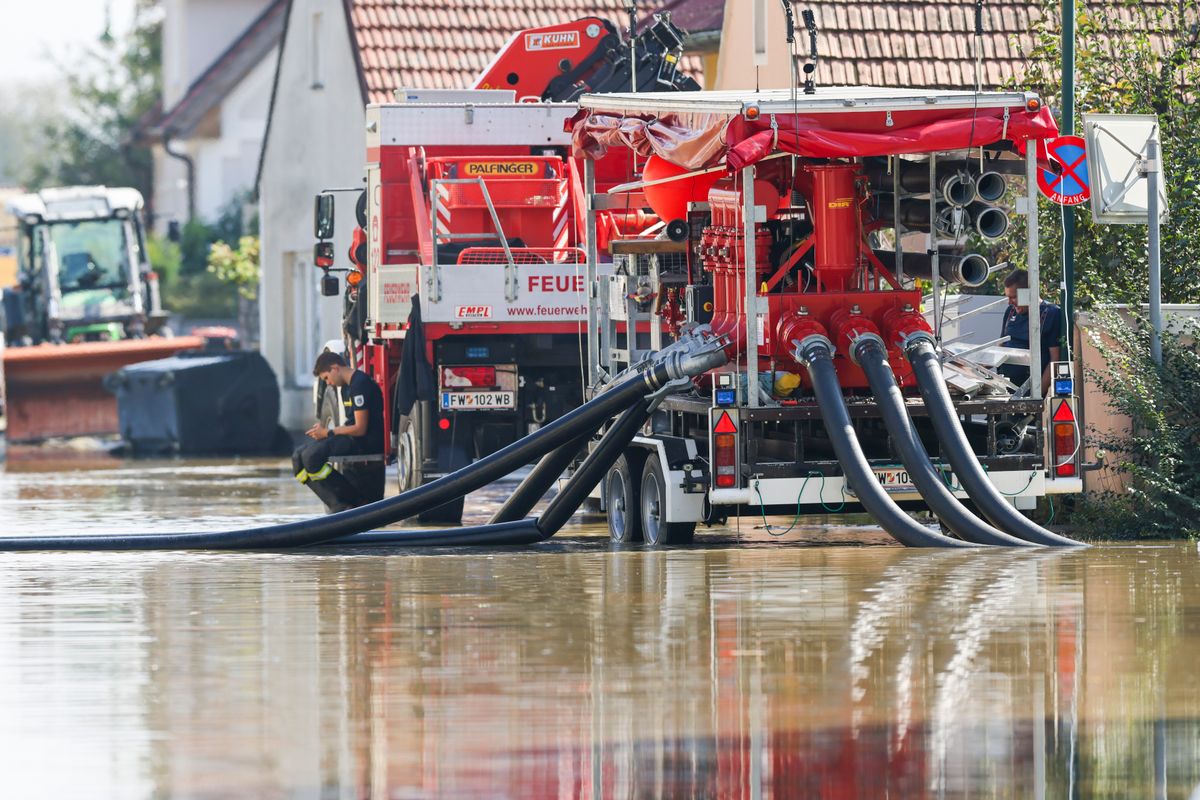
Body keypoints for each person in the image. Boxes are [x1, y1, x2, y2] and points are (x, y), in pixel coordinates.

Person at [292, 351, 384, 512]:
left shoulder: (360, 384)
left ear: (335, 368)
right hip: (351, 436)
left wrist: (328, 433)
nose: (328, 383)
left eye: (327, 378)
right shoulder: (345, 388)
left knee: (311, 457)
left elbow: (360, 428)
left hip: (365, 440)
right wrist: (325, 434)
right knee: (298, 457)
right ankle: (338, 501)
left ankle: (344, 504)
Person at [998, 269, 1062, 395]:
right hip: (1004, 390)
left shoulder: (1050, 313)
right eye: (1008, 297)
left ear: (1027, 293)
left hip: (1028, 392)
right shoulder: (1010, 311)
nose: (1009, 302)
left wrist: (1036, 394)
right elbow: (999, 347)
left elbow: (1055, 359)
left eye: (1013, 297)